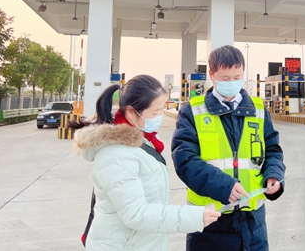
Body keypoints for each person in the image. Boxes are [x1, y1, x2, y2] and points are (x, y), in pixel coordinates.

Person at [72, 74, 221, 251]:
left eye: (161, 111)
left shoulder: (142, 142)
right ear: (131, 112)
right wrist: (193, 217)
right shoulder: (116, 154)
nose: (159, 117)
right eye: (155, 113)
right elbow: (136, 214)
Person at [172, 45, 286, 251]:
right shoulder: (193, 111)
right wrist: (223, 186)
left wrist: (273, 175)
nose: (232, 82)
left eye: (237, 77)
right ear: (212, 74)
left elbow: (272, 150)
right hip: (210, 224)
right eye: (225, 78)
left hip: (253, 224)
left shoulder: (258, 110)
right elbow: (184, 159)